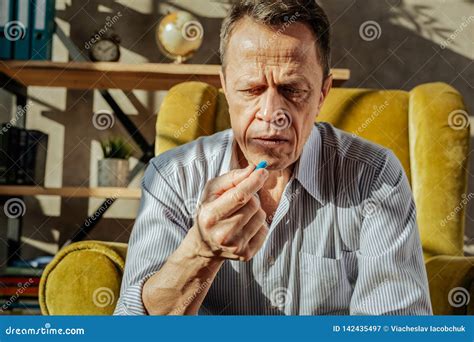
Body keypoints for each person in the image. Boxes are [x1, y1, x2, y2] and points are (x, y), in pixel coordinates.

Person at [114, 0, 432, 315]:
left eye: (292, 90)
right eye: (252, 89)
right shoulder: (172, 176)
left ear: (322, 93)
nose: (271, 115)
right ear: (225, 86)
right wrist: (202, 250)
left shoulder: (373, 175)